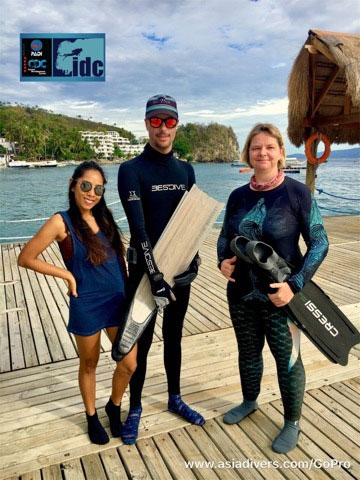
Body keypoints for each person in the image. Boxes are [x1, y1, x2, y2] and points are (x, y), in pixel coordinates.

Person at [217, 123, 329, 453]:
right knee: (248, 353)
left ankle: (292, 421)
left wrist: (295, 285)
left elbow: (320, 242)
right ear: (248, 154)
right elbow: (225, 236)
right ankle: (250, 401)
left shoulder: (297, 193)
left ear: (280, 152)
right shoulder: (238, 196)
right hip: (241, 294)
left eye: (269, 147)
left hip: (283, 298)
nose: (262, 153)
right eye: (255, 148)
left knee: (288, 359)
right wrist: (222, 260)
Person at [18, 161, 137, 445]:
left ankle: (114, 405)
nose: (91, 193)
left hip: (117, 301)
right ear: (73, 184)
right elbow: (26, 257)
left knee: (129, 363)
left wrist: (130, 291)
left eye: (98, 188)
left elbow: (118, 259)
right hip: (87, 304)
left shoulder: (105, 216)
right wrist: (66, 275)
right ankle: (92, 416)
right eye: (86, 186)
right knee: (89, 363)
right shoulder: (62, 221)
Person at [118, 94, 205, 445]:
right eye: (155, 121)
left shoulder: (186, 171)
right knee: (141, 339)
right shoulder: (131, 170)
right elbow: (139, 231)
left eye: (169, 121)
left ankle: (175, 397)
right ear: (146, 124)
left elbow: (193, 222)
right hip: (144, 271)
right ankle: (135, 407)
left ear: (176, 124)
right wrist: (155, 276)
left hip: (178, 272)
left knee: (174, 335)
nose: (162, 128)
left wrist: (194, 262)